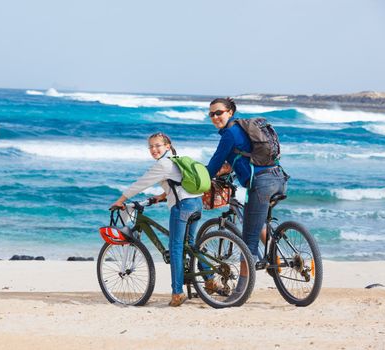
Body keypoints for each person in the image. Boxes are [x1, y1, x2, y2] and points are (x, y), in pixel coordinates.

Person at [111, 132, 202, 307]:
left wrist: (120, 201)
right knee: (190, 245)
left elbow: (141, 183)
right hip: (196, 203)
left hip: (182, 206)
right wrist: (161, 196)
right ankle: (211, 280)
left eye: (158, 145)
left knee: (175, 248)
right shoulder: (177, 159)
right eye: (151, 146)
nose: (154, 149)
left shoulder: (163, 164)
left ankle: (177, 293)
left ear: (167, 146)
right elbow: (180, 183)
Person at [206, 97, 288, 262]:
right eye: (211, 114)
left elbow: (214, 164)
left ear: (230, 112)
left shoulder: (229, 134)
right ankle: (276, 256)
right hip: (279, 178)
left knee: (248, 242)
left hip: (262, 184)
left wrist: (199, 180)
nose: (215, 117)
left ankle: (242, 287)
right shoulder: (243, 128)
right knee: (257, 222)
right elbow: (244, 156)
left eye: (219, 113)